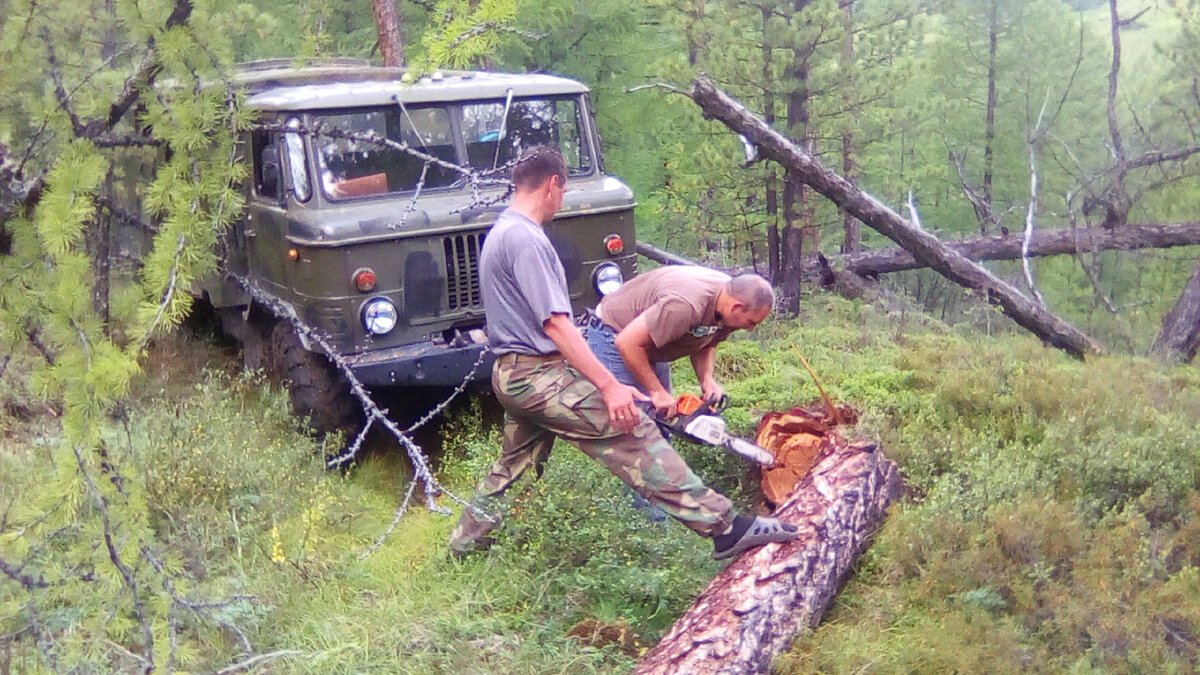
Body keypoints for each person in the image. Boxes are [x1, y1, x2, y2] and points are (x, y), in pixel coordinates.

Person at [448, 147, 797, 561]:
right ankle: (725, 528)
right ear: (553, 184)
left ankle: (464, 550)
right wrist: (610, 387)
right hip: (537, 375)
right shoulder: (526, 238)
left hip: (516, 374)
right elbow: (556, 324)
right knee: (634, 435)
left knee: (514, 468)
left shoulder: (503, 231)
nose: (563, 201)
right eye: (565, 190)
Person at [585, 267, 774, 419]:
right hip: (616, 333)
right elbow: (627, 342)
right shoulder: (684, 306)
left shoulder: (728, 303)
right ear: (736, 307)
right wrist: (656, 391)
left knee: (665, 416)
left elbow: (707, 340)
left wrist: (706, 380)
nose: (751, 329)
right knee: (635, 428)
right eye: (751, 322)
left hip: (652, 342)